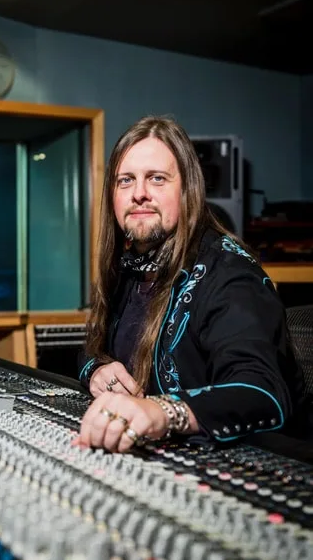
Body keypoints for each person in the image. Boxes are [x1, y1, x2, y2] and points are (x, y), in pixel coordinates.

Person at [75, 115, 306, 453]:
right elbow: (90, 347)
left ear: (187, 190)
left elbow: (261, 392)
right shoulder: (128, 268)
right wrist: (96, 370)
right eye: (126, 181)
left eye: (157, 178)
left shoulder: (230, 275)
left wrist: (161, 412)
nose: (139, 194)